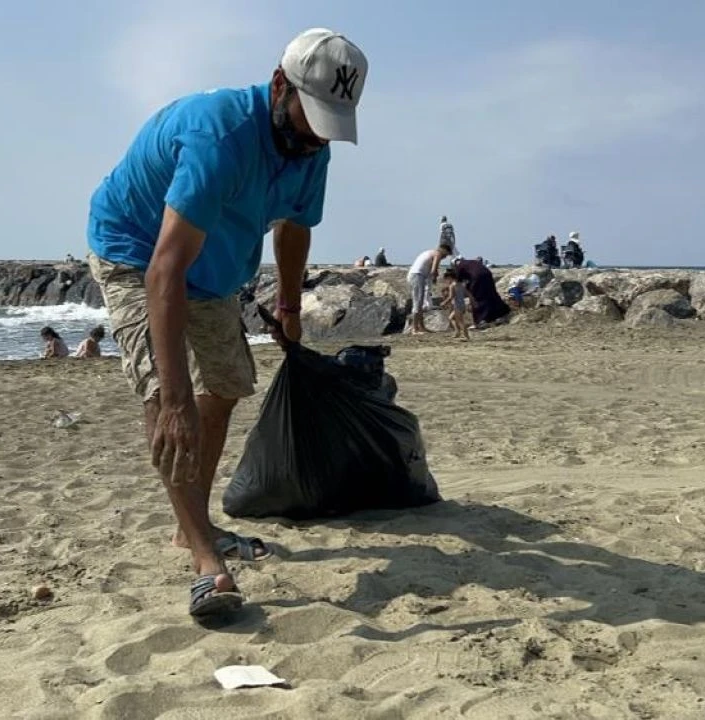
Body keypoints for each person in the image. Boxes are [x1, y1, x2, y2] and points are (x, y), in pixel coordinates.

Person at [84, 28, 368, 618]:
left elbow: (294, 226)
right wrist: (174, 401)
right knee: (166, 398)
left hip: (213, 267)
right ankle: (204, 557)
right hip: (135, 253)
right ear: (279, 84)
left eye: (329, 127)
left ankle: (190, 526)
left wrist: (289, 308)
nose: (317, 138)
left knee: (228, 384)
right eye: (311, 119)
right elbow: (164, 272)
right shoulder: (219, 138)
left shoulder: (313, 149)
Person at [406, 242, 453, 334]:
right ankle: (414, 328)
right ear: (443, 250)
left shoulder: (431, 252)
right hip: (417, 276)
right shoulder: (437, 254)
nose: (445, 257)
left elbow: (431, 269)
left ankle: (421, 327)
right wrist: (434, 278)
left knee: (421, 302)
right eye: (446, 255)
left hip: (417, 275)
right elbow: (433, 270)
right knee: (418, 302)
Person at [453, 257, 511, 328]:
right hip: (487, 274)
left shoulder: (459, 266)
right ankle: (500, 315)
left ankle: (481, 321)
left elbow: (458, 282)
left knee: (478, 297)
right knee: (491, 294)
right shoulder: (470, 262)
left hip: (477, 277)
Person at [440, 268, 471, 340]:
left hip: (457, 305)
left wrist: (444, 302)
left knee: (460, 321)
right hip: (462, 304)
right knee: (451, 318)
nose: (447, 281)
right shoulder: (461, 284)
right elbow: (467, 293)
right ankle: (457, 332)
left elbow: (451, 296)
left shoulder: (452, 286)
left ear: (450, 277)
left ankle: (466, 336)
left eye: (447, 279)